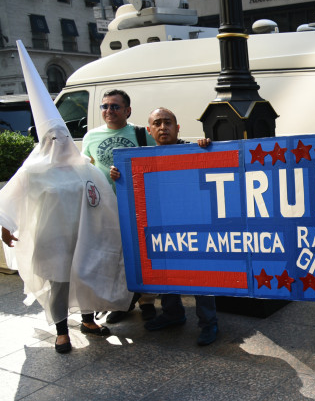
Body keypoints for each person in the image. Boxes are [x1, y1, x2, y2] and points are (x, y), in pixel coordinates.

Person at [0, 41, 131, 353]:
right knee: (59, 284)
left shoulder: (83, 168)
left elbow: (101, 199)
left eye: (62, 137)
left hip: (84, 237)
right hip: (52, 241)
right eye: (51, 138)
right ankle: (62, 331)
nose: (58, 143)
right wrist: (5, 227)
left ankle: (88, 319)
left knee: (85, 276)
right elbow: (8, 200)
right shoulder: (32, 172)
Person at [110, 107, 218, 346]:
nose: (162, 127)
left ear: (177, 128)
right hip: (162, 228)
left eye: (167, 122)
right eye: (157, 123)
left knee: (202, 276)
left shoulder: (195, 149)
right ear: (149, 130)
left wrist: (208, 147)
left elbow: (216, 168)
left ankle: (209, 323)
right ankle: (172, 314)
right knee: (166, 272)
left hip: (195, 225)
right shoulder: (140, 159)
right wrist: (119, 174)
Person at [82, 89, 157, 323]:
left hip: (137, 206)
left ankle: (147, 301)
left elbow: (157, 162)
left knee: (141, 254)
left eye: (115, 106)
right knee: (114, 257)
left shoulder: (142, 134)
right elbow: (84, 169)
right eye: (104, 106)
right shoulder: (90, 137)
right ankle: (121, 302)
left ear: (128, 110)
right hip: (105, 209)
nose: (109, 111)